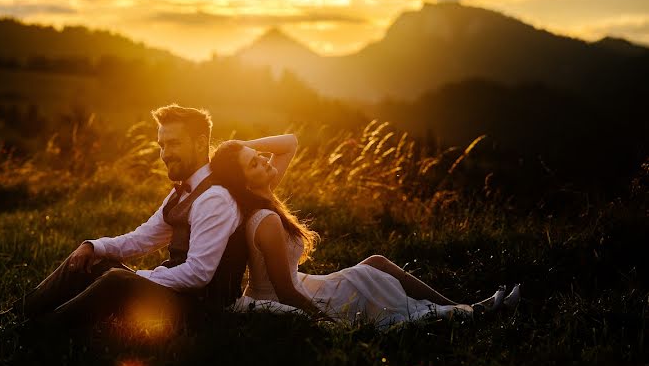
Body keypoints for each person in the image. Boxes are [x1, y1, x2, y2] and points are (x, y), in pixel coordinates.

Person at [209, 134, 520, 329]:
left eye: (259, 158)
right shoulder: (265, 219)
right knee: (372, 282)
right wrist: (327, 323)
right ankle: (468, 313)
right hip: (295, 296)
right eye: (254, 164)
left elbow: (289, 142)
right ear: (245, 183)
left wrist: (241, 149)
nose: (265, 161)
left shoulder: (261, 193)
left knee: (376, 263)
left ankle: (458, 307)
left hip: (304, 284)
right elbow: (286, 292)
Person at [14, 104, 247, 329]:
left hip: (204, 310)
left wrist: (140, 277)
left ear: (200, 144)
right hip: (179, 296)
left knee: (117, 280)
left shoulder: (214, 198)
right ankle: (19, 314)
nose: (165, 154)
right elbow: (141, 239)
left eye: (174, 144)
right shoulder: (181, 193)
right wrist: (95, 246)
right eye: (162, 145)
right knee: (94, 260)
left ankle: (41, 330)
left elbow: (198, 274)